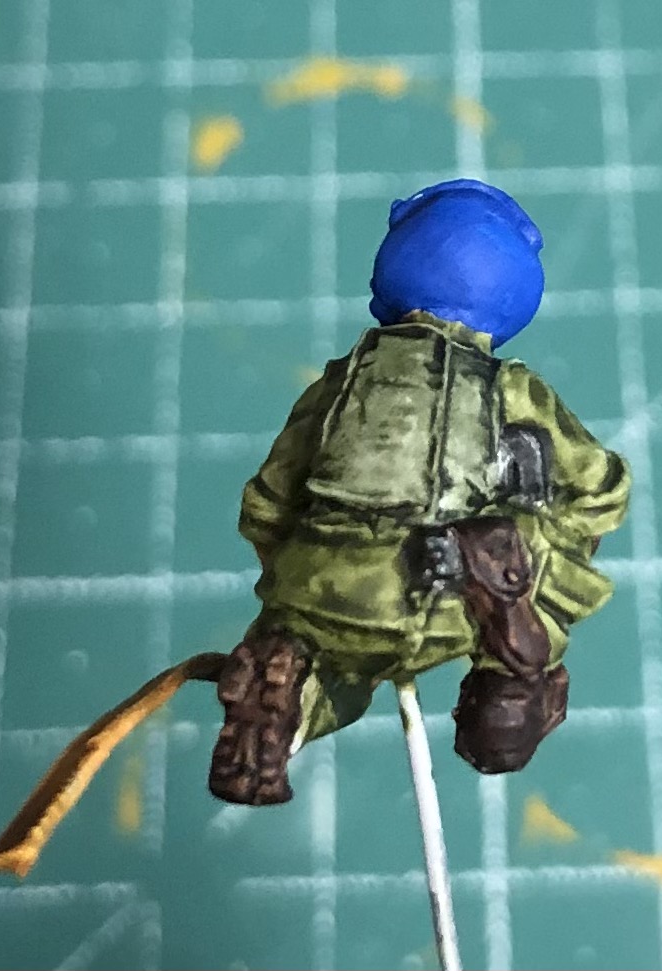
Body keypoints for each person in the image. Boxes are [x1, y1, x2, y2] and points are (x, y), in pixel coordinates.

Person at [211, 178, 632, 805]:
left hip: (327, 592)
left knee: (344, 677)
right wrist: (558, 535)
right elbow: (599, 488)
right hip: (457, 600)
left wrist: (293, 582)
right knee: (528, 556)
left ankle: (290, 696)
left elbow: (268, 502)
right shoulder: (514, 392)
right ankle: (511, 682)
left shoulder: (340, 381)